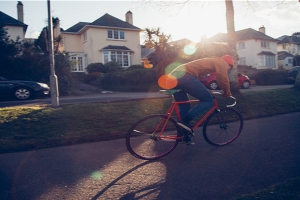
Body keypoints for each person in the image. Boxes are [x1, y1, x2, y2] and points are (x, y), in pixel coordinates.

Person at [167, 55, 234, 144]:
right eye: (229, 68)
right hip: (184, 76)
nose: (228, 70)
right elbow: (222, 78)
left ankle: (183, 132)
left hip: (172, 78)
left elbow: (196, 82)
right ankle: (186, 120)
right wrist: (227, 92)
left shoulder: (212, 61)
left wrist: (206, 90)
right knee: (208, 100)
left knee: (185, 106)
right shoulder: (222, 62)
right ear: (229, 64)